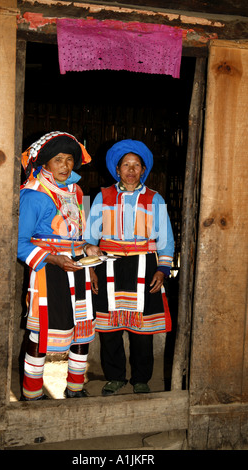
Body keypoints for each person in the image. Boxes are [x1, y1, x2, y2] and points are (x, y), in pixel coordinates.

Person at [84, 139, 174, 395]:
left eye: (136, 165)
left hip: (144, 266)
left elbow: (166, 238)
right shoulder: (101, 195)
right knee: (109, 328)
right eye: (126, 165)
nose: (131, 170)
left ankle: (141, 378)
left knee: (142, 328)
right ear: (118, 169)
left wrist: (162, 269)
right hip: (108, 265)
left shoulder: (155, 198)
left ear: (143, 170)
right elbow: (89, 238)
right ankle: (114, 377)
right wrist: (90, 267)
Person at [18, 131, 102, 400]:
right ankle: (32, 394)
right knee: (41, 333)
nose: (65, 166)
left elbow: (79, 234)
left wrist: (88, 248)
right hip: (48, 272)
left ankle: (76, 388)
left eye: (69, 160)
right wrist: (54, 258)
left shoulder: (76, 191)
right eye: (58, 160)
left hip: (77, 270)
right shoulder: (32, 195)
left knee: (82, 331)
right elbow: (18, 242)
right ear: (44, 163)